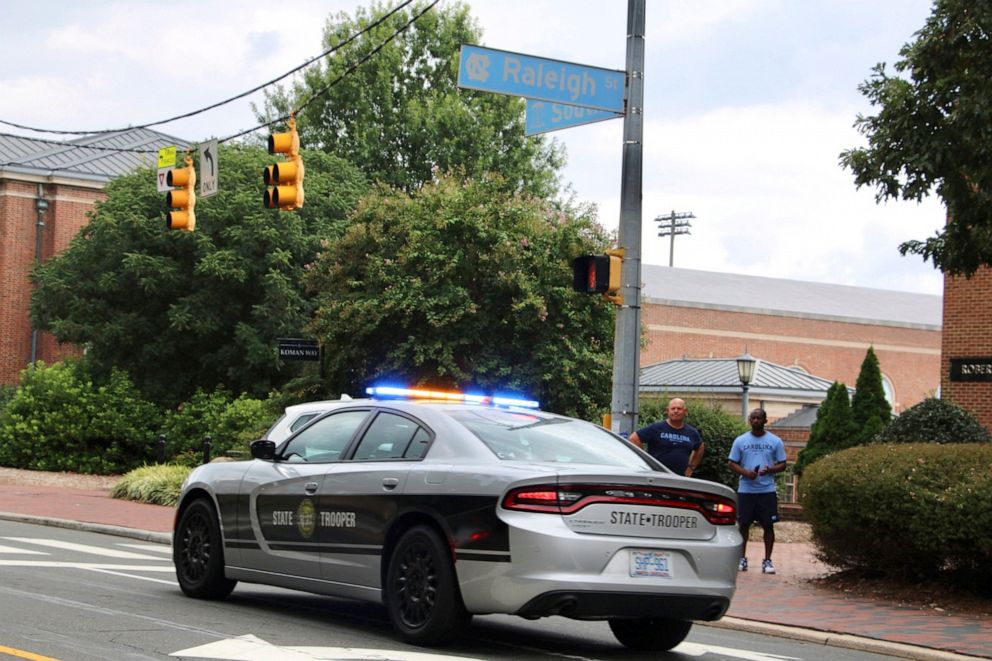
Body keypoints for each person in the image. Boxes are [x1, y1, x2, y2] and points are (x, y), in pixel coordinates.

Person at [728, 408, 787, 574]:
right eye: (753, 418)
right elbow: (731, 463)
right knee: (743, 525)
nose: (755, 421)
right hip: (746, 490)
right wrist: (746, 472)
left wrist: (770, 470)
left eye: (759, 418)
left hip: (766, 489)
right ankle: (742, 558)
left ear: (765, 421)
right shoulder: (740, 440)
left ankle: (767, 560)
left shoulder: (775, 441)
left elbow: (783, 464)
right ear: (749, 420)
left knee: (768, 525)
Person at [630, 398, 705, 477]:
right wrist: (646, 461)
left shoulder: (692, 432)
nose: (676, 411)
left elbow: (700, 447)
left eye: (679, 408)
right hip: (657, 477)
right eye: (673, 408)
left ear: (685, 411)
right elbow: (634, 438)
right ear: (667, 410)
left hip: (680, 479)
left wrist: (690, 469)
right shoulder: (656, 428)